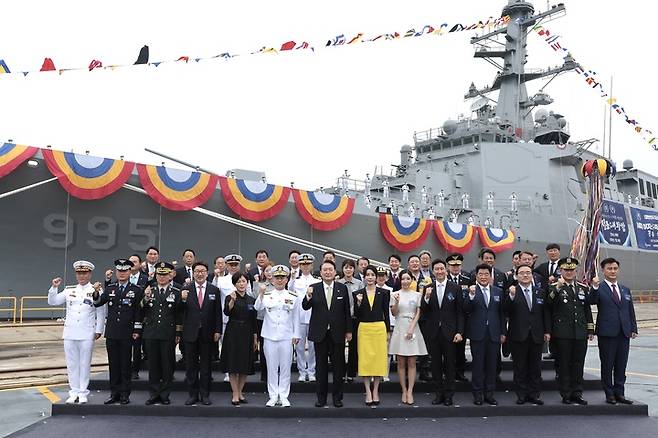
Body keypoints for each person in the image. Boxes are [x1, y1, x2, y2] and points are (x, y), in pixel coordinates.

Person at [47, 260, 106, 404]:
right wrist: (54, 288)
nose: (81, 276)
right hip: (70, 332)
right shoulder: (69, 290)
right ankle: (73, 391)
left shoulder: (95, 290)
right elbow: (53, 301)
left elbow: (101, 311)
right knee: (72, 363)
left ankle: (83, 392)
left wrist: (99, 330)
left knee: (85, 363)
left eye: (84, 273)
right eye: (79, 273)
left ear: (90, 274)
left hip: (86, 331)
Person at [302, 260, 352, 408]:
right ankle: (321, 398)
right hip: (320, 333)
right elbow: (305, 307)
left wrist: (349, 331)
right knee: (321, 367)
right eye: (325, 270)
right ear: (321, 272)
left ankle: (337, 398)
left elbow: (346, 312)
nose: (328, 272)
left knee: (339, 367)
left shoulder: (342, 288)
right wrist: (308, 296)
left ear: (335, 272)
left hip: (338, 333)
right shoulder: (314, 288)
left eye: (330, 269)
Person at [94, 259, 144, 405]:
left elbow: (138, 312)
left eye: (125, 271)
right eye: (120, 271)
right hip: (112, 332)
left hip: (128, 333)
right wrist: (96, 292)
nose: (122, 274)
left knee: (125, 365)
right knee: (113, 364)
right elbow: (98, 303)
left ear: (129, 272)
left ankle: (124, 394)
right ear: (116, 272)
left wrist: (136, 329)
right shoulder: (110, 288)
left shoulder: (136, 290)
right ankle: (114, 393)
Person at [590, 258, 638, 405]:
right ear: (603, 270)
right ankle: (609, 394)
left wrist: (633, 327)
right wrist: (595, 288)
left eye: (615, 268)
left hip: (624, 333)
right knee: (607, 365)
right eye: (609, 268)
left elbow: (630, 310)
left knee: (621, 365)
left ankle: (620, 393)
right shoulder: (600, 288)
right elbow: (591, 301)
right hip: (607, 333)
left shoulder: (624, 289)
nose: (612, 271)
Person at [546, 257, 593, 405]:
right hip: (562, 333)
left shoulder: (582, 288)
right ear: (561, 270)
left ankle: (577, 393)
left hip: (579, 332)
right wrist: (558, 287)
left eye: (571, 270)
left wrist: (590, 329)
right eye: (566, 270)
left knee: (578, 364)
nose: (569, 272)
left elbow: (586, 309)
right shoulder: (554, 287)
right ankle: (566, 393)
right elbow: (548, 303)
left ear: (575, 271)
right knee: (564, 364)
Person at [504, 264, 550, 405]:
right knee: (520, 367)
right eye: (522, 273)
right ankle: (521, 394)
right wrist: (511, 296)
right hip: (518, 335)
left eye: (528, 273)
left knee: (535, 367)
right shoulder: (512, 291)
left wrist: (547, 331)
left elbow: (545, 313)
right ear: (516, 276)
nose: (525, 275)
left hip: (536, 335)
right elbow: (505, 311)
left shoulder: (540, 292)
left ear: (532, 275)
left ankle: (534, 394)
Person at [255, 265, 301, 407]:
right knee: (272, 367)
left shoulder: (293, 296)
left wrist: (296, 334)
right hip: (269, 335)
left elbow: (296, 317)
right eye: (277, 278)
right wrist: (261, 293)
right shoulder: (267, 295)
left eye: (282, 278)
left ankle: (284, 395)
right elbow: (258, 308)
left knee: (286, 367)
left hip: (286, 336)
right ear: (272, 279)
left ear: (287, 279)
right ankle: (273, 395)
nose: (279, 280)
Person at [420, 259, 464, 406]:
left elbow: (460, 312)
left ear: (446, 270)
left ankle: (449, 394)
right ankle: (439, 394)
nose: (439, 271)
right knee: (436, 365)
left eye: (441, 269)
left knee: (450, 364)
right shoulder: (428, 287)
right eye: (436, 269)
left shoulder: (455, 287)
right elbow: (423, 311)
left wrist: (459, 331)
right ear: (433, 271)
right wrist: (426, 297)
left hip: (450, 333)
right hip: (433, 333)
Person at [180, 261, 222, 406]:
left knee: (206, 366)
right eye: (197, 271)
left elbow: (217, 312)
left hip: (207, 333)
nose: (200, 273)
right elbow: (180, 311)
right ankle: (192, 395)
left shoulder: (214, 290)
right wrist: (183, 300)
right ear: (193, 273)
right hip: (190, 333)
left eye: (203, 271)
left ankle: (205, 395)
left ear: (207, 273)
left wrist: (218, 330)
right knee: (191, 366)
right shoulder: (186, 289)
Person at [463, 264, 506, 406]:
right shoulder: (472, 291)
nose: (483, 277)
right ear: (476, 276)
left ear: (490, 276)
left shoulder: (498, 291)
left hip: (494, 334)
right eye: (480, 274)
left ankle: (489, 394)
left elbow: (501, 314)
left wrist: (503, 332)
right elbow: (466, 309)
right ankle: (477, 394)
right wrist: (470, 295)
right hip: (477, 334)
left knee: (492, 365)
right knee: (478, 365)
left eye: (486, 274)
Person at [142, 262, 183, 405]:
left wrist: (178, 332)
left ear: (169, 276)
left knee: (167, 365)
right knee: (153, 365)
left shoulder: (176, 292)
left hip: (168, 333)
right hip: (151, 332)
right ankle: (153, 394)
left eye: (164, 275)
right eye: (159, 275)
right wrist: (146, 298)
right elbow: (140, 308)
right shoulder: (149, 289)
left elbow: (179, 313)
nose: (162, 277)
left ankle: (165, 394)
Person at [354, 266, 391, 405]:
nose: (369, 277)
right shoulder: (358, 293)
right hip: (364, 328)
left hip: (379, 328)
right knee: (365, 360)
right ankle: (367, 391)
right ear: (363, 277)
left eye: (372, 275)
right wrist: (358, 302)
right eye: (367, 274)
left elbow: (386, 313)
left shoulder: (384, 293)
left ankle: (375, 390)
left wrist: (388, 331)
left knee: (378, 360)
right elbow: (356, 315)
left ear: (376, 277)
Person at [389, 270, 427, 405]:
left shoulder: (417, 295)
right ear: (400, 280)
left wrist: (411, 327)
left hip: (413, 327)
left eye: (407, 278)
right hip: (399, 326)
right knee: (400, 362)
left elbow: (418, 312)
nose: (405, 281)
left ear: (412, 280)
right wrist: (397, 302)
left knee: (411, 362)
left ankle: (410, 390)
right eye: (403, 279)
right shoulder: (394, 294)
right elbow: (394, 313)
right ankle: (403, 390)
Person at [220, 271, 257, 405]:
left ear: (247, 283)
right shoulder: (230, 297)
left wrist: (254, 337)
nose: (241, 284)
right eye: (239, 282)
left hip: (247, 332)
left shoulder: (251, 299)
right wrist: (232, 301)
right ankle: (235, 393)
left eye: (244, 281)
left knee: (244, 364)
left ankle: (240, 392)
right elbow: (227, 312)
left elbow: (254, 320)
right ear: (234, 284)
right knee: (233, 364)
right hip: (233, 331)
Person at [289, 253, 320, 382]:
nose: (305, 266)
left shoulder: (317, 281)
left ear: (312, 265)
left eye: (308, 264)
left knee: (313, 347)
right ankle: (302, 371)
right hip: (299, 317)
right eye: (303, 264)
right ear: (300, 266)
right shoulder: (295, 281)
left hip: (313, 317)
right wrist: (291, 278)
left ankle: (311, 371)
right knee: (300, 347)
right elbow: (290, 292)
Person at [445, 253, 471, 382]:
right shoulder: (444, 279)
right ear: (448, 266)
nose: (455, 268)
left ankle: (460, 372)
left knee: (460, 348)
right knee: (447, 347)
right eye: (452, 266)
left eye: (457, 266)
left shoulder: (467, 278)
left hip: (463, 317)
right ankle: (448, 371)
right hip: (447, 318)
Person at [338, 259, 364, 383]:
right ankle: (341, 372)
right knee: (339, 346)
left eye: (351, 267)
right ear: (342, 269)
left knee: (354, 347)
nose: (348, 270)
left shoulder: (359, 284)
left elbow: (361, 302)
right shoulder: (338, 283)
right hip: (340, 319)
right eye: (346, 267)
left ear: (354, 269)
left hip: (355, 318)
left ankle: (352, 373)